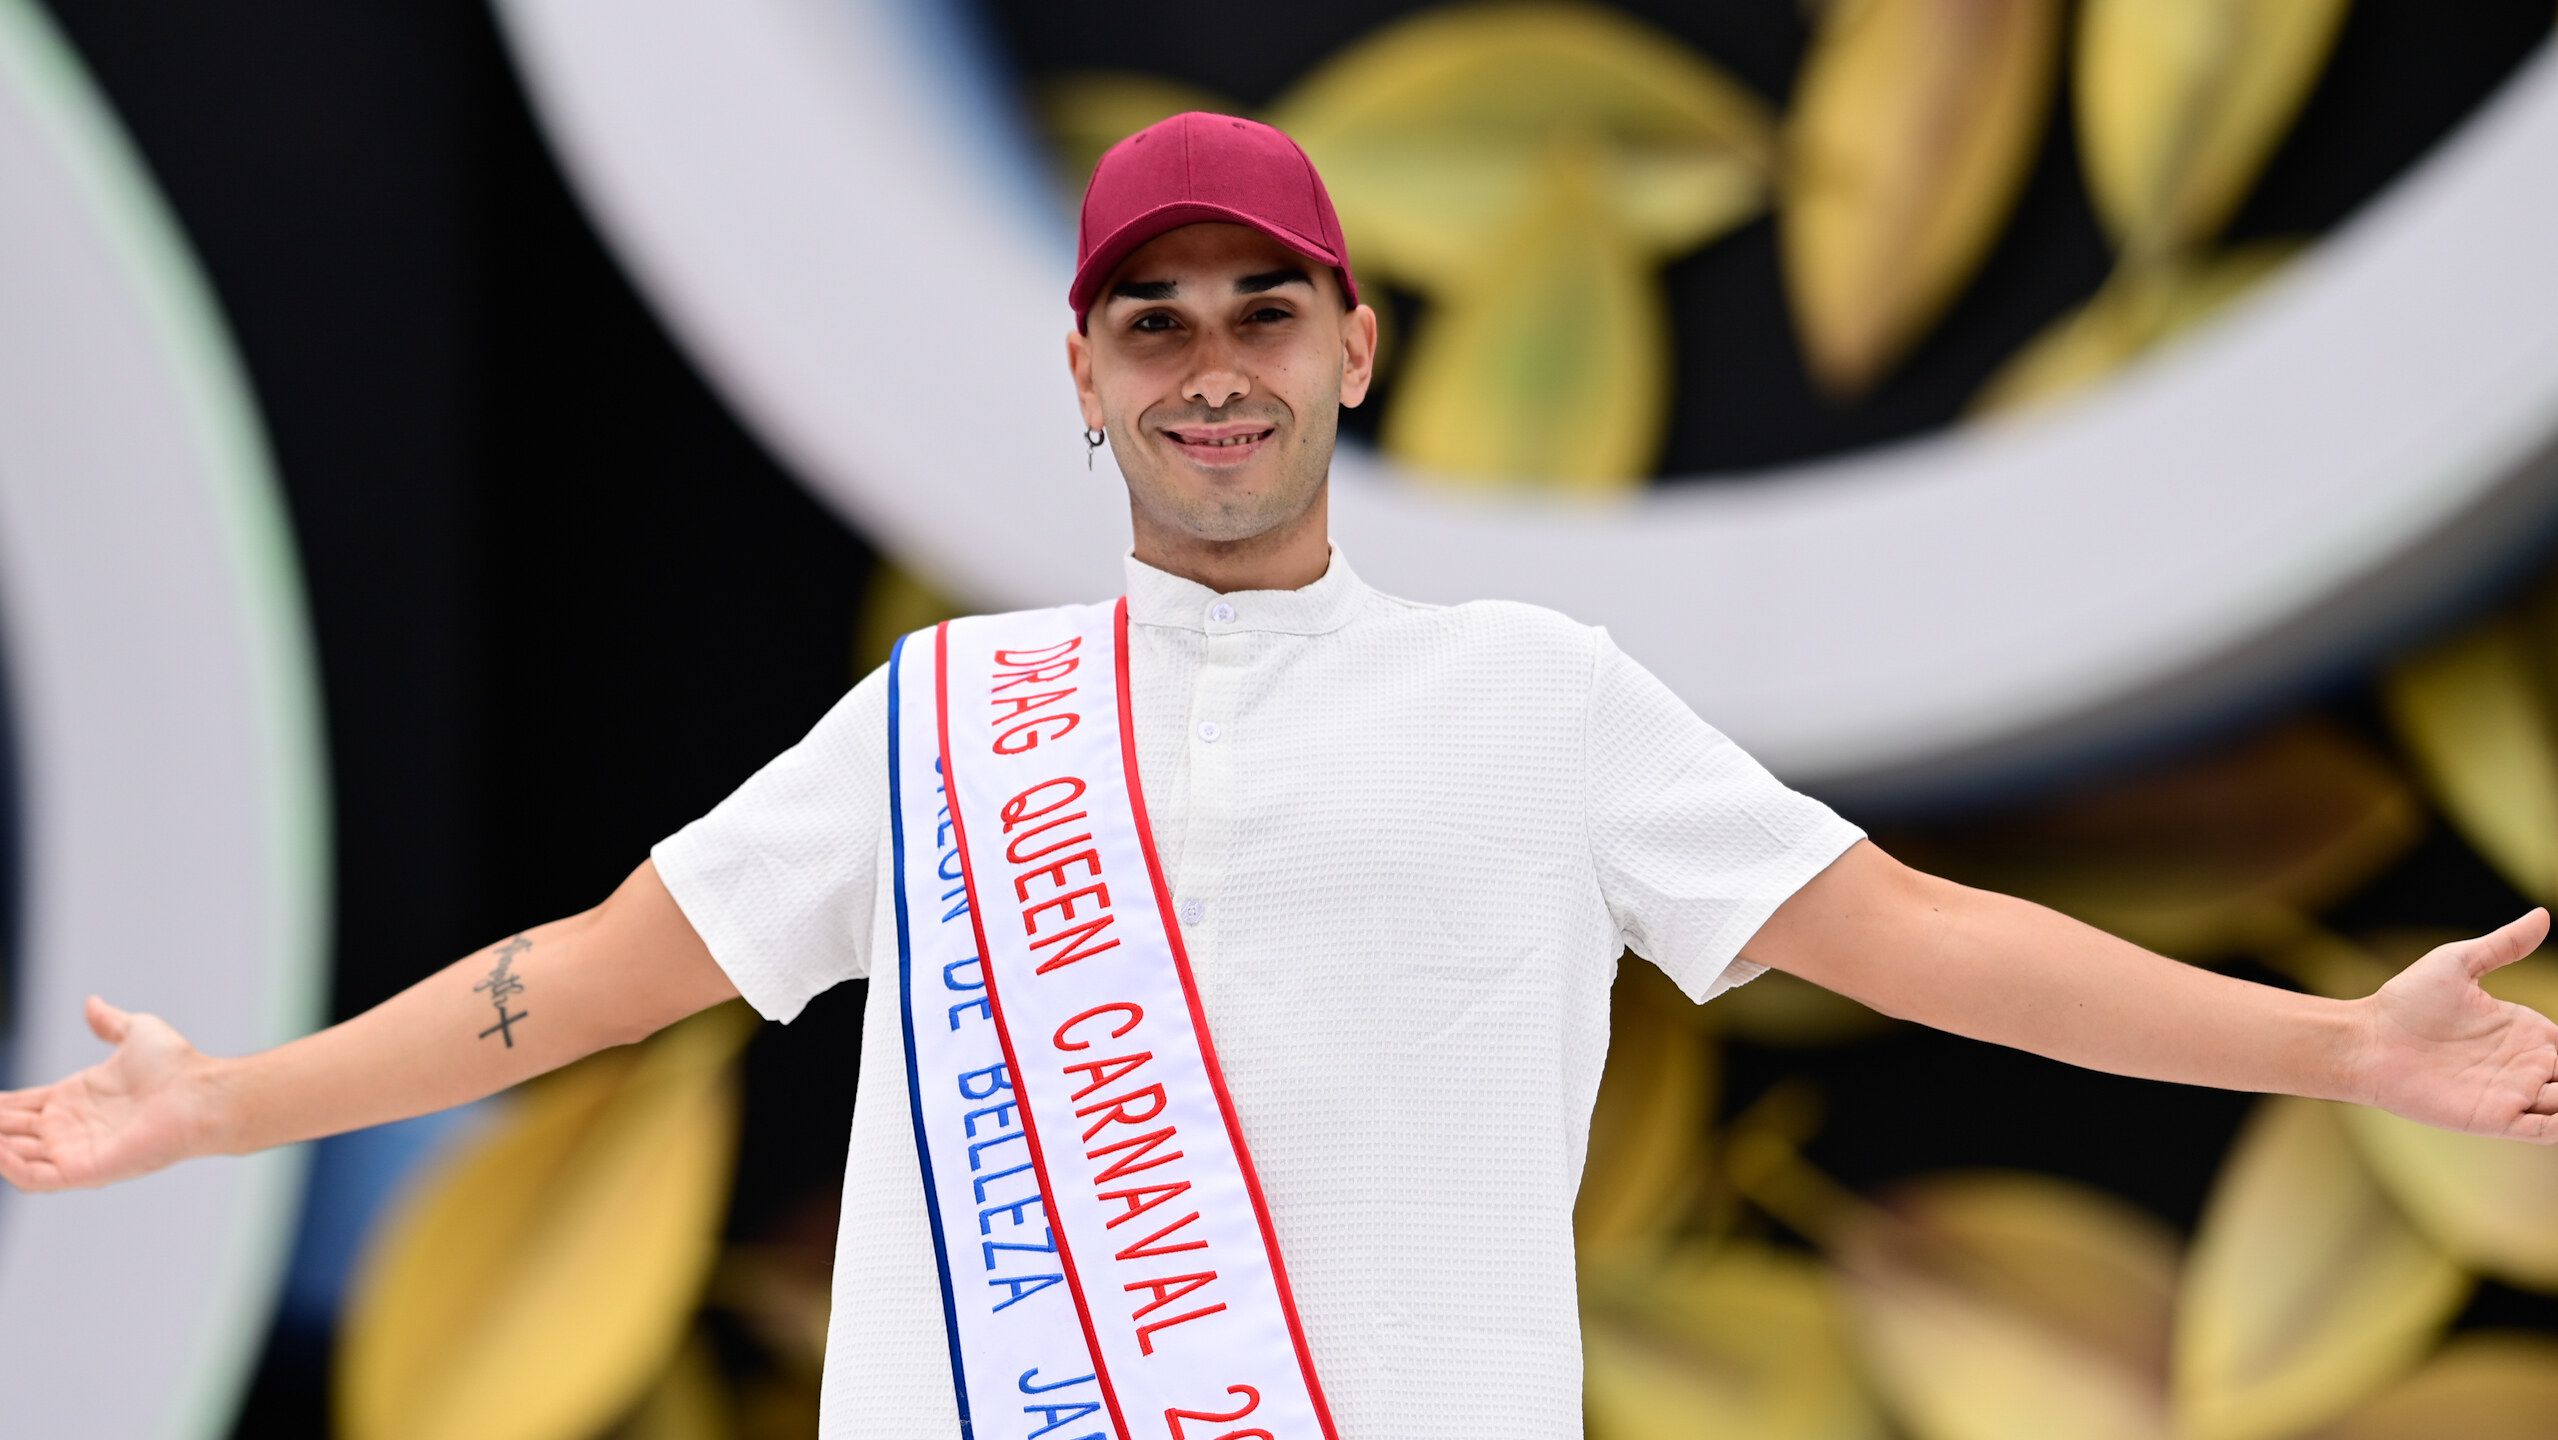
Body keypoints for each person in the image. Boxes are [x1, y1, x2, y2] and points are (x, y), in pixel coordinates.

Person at [5, 110, 2555, 1439]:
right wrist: (228, 1110)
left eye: (1257, 307)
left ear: (1352, 346)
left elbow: (1928, 945)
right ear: (1082, 377)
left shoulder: (1541, 696)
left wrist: (2339, 1046)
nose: (1205, 358)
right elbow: (571, 987)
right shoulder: (941, 721)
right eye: (1149, 320)